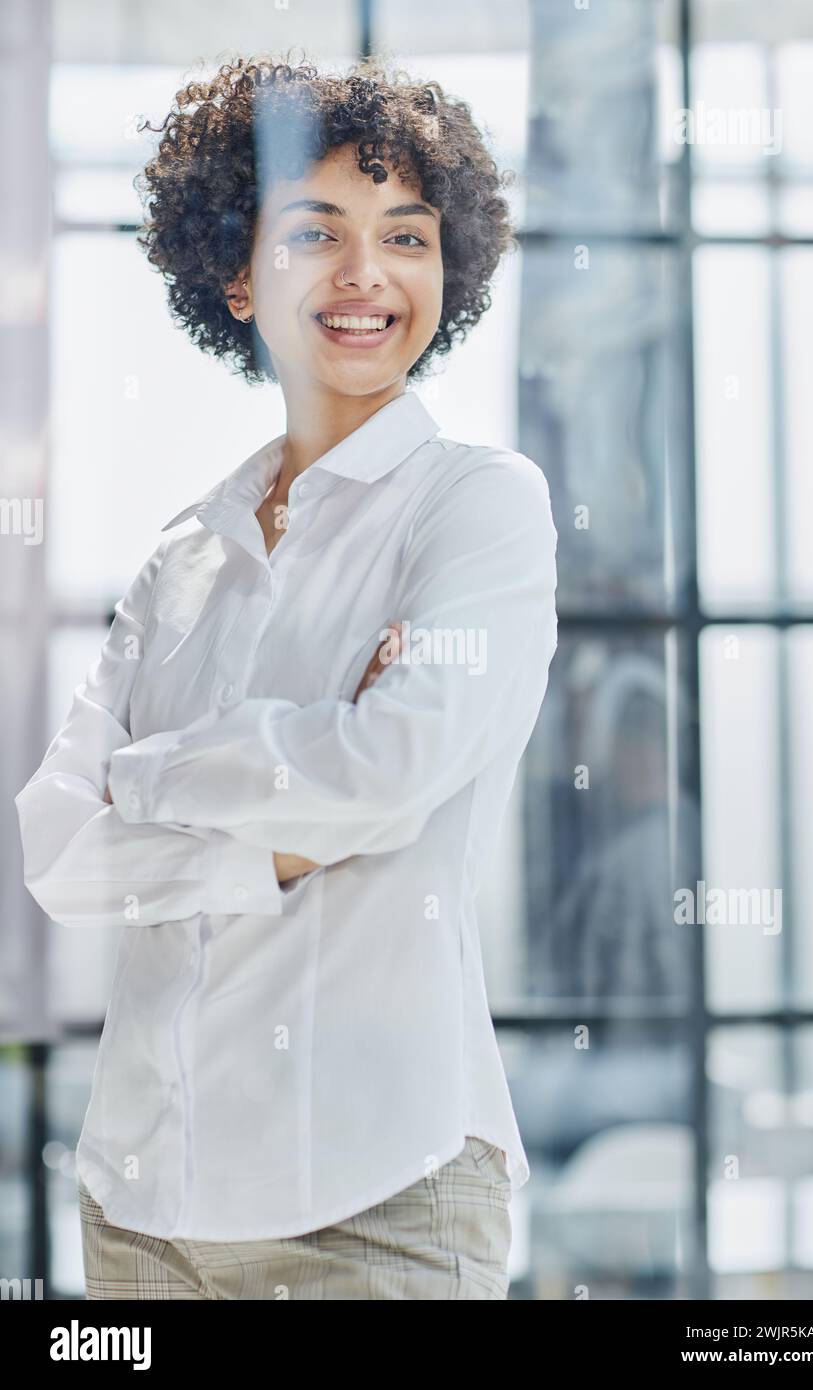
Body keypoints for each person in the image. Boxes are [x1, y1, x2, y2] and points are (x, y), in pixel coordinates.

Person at [15, 52, 558, 1299]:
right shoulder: (183, 551)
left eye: (406, 237)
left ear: (447, 270)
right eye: (316, 231)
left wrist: (146, 782)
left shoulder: (476, 508)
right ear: (235, 272)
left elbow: (383, 777)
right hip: (139, 1205)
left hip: (371, 1197)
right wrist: (282, 812)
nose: (367, 274)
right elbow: (55, 847)